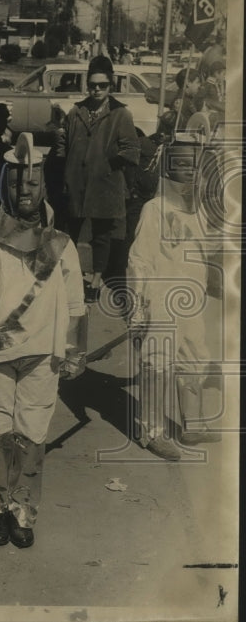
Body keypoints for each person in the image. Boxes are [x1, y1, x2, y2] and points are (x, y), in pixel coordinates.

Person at [0, 133, 86, 549]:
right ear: (4, 187)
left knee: (31, 435)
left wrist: (76, 350)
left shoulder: (62, 245)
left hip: (42, 357)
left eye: (32, 183)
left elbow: (75, 304)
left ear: (44, 188)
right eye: (16, 184)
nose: (25, 191)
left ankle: (22, 512)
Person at [126, 134, 222, 460]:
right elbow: (139, 258)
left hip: (190, 300)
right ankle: (150, 432)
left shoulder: (200, 210)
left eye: (193, 165)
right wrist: (138, 304)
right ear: (168, 168)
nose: (188, 171)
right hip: (160, 301)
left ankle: (192, 423)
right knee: (157, 363)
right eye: (180, 164)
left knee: (194, 356)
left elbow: (207, 251)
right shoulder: (154, 209)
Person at [63, 55, 139, 303]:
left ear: (111, 86)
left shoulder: (121, 114)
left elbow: (130, 150)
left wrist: (106, 166)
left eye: (102, 85)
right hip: (77, 183)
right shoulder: (77, 110)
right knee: (71, 232)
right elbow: (63, 142)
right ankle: (72, 277)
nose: (97, 90)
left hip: (105, 184)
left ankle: (95, 280)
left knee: (101, 236)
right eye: (93, 84)